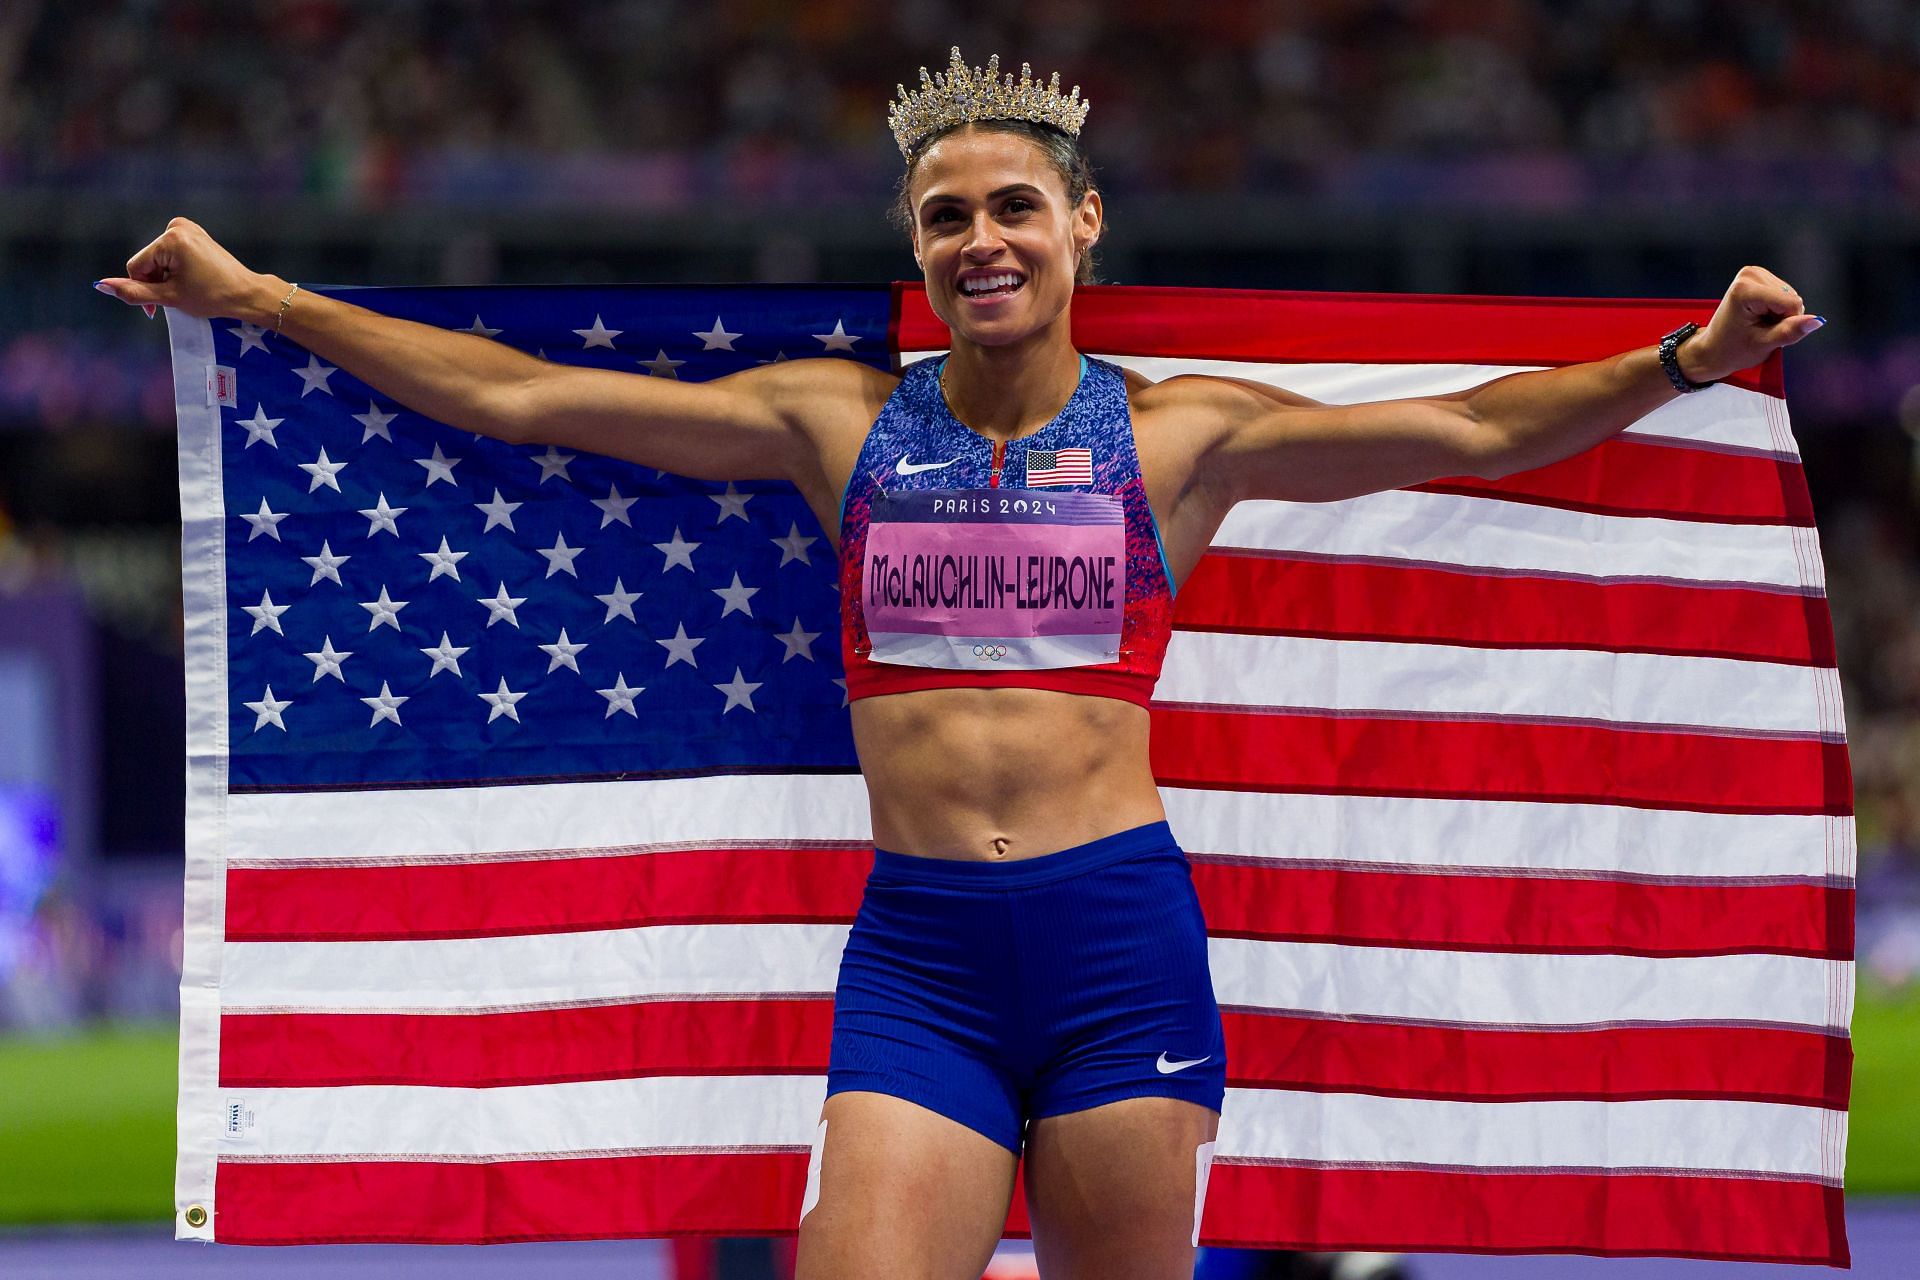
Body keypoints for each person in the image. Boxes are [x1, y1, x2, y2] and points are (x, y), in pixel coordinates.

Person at [100, 46, 1824, 1280]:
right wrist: (271, 304)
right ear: (916, 253)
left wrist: (1683, 358)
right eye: (945, 217)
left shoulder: (1179, 438)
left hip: (1116, 946)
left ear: (1081, 224)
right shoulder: (830, 423)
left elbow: (1471, 429)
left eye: (1014, 207)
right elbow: (526, 398)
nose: (981, 238)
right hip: (920, 954)